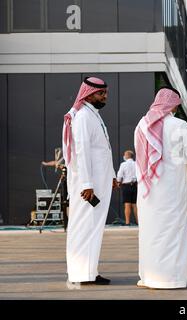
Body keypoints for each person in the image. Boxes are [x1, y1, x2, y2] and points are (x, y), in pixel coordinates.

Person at [134, 87, 187, 289]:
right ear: (173, 105)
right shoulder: (179, 125)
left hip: (147, 191)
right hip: (171, 189)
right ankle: (171, 279)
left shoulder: (142, 125)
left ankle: (149, 277)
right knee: (173, 232)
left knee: (149, 232)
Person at [63, 77, 118, 285]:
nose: (104, 97)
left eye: (105, 93)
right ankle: (80, 273)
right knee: (83, 226)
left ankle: (90, 272)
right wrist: (87, 184)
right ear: (88, 94)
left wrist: (111, 175)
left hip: (99, 182)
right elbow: (82, 152)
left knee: (93, 227)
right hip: (89, 185)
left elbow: (104, 149)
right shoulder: (83, 117)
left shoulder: (93, 115)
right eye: (100, 93)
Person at [117, 150, 138, 225]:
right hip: (135, 185)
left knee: (127, 204)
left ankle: (127, 222)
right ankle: (138, 222)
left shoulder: (123, 164)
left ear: (127, 156)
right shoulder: (136, 164)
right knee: (135, 205)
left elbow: (120, 175)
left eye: (124, 155)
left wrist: (118, 182)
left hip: (126, 185)